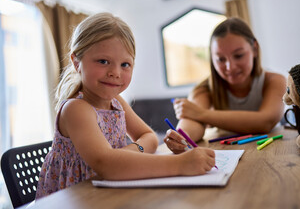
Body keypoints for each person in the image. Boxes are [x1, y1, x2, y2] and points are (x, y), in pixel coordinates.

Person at [36, 12, 215, 199]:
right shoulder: (76, 109)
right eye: (103, 61)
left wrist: (125, 154)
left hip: (109, 191)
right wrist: (180, 165)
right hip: (74, 198)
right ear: (76, 62)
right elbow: (106, 164)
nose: (115, 72)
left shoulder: (116, 102)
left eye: (125, 64)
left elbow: (150, 138)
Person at [164, 17, 286, 154]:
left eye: (239, 55)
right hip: (227, 155)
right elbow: (191, 125)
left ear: (255, 49)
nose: (230, 67)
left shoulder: (275, 81)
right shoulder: (203, 90)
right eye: (221, 59)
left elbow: (266, 122)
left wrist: (202, 113)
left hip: (272, 152)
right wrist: (180, 138)